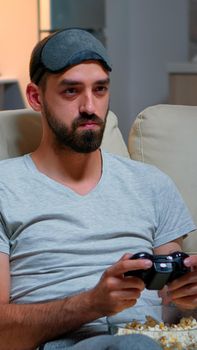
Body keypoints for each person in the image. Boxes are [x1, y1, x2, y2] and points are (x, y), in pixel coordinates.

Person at [0, 28, 196, 350]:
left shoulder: (151, 184)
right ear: (36, 97)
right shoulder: (6, 188)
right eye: (71, 91)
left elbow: (172, 306)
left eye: (100, 89)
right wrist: (92, 303)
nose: (90, 107)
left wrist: (187, 296)